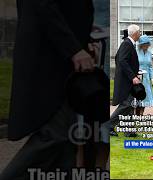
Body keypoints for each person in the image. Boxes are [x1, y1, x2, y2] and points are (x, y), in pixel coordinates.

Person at [0, 0, 95, 179]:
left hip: (61, 56)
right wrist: (73, 48)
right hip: (49, 57)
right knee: (56, 133)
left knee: (68, 139)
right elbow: (41, 4)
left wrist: (82, 40)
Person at [109, 24, 141, 137]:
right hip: (126, 81)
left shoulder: (128, 44)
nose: (140, 34)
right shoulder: (127, 44)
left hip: (127, 80)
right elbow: (122, 61)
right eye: (139, 32)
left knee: (129, 105)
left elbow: (121, 60)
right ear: (135, 33)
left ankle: (129, 131)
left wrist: (135, 73)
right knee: (126, 104)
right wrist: (132, 76)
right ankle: (109, 125)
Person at [136, 35, 153, 115]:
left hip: (146, 78)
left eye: (147, 44)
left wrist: (152, 78)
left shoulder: (149, 53)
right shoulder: (136, 52)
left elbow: (150, 66)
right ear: (141, 45)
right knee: (138, 95)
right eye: (144, 44)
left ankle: (141, 113)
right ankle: (137, 113)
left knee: (145, 96)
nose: (146, 46)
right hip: (138, 77)